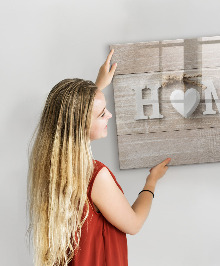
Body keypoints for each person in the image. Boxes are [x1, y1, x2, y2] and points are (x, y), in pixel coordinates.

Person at [27, 49, 171, 266]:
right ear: (81, 123)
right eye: (102, 113)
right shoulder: (95, 176)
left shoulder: (49, 164)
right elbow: (134, 224)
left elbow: (73, 113)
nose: (110, 115)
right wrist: (151, 181)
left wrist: (97, 86)